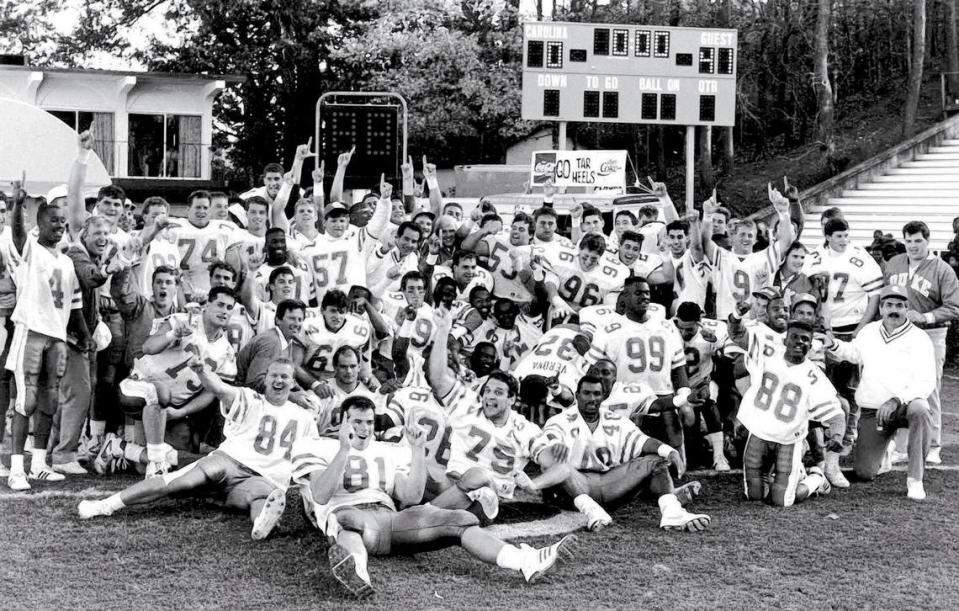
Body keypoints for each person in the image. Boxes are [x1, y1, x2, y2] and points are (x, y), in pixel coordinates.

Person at [291, 396, 576, 599]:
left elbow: (411, 495)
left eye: (368, 422)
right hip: (348, 514)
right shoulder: (319, 446)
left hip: (390, 519)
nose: (364, 429)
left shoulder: (387, 450)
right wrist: (342, 450)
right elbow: (320, 494)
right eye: (356, 422)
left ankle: (525, 561)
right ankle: (356, 572)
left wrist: (417, 451)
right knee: (348, 521)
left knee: (461, 519)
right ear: (343, 421)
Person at [79, 358, 320, 541]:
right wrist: (202, 371)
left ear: (293, 382)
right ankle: (105, 505)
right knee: (177, 483)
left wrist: (312, 500)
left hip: (265, 478)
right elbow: (220, 389)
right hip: (230, 461)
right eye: (275, 376)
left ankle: (262, 524)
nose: (279, 381)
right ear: (266, 378)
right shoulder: (250, 399)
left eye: (285, 377)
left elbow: (309, 462)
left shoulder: (305, 418)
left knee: (262, 499)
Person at [519, 375, 710, 532]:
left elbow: (643, 441)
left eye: (596, 394)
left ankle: (672, 512)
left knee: (655, 461)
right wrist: (553, 449)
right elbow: (548, 441)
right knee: (558, 466)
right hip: (575, 485)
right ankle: (592, 511)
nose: (591, 398)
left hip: (611, 484)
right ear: (577, 395)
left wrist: (669, 451)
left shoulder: (617, 420)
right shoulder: (560, 420)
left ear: (603, 397)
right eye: (586, 393)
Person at [6, 177, 92, 490]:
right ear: (40, 224)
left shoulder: (67, 261)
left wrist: (83, 333)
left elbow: (75, 303)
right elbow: (17, 235)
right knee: (25, 400)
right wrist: (17, 205)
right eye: (53, 221)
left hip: (57, 335)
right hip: (30, 330)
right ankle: (17, 467)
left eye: (62, 222)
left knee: (49, 401)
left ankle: (39, 463)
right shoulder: (30, 249)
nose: (59, 226)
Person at [823, 285, 936, 500]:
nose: (894, 310)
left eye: (900, 306)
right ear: (881, 308)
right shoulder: (869, 331)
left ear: (906, 308)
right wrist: (833, 344)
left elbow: (926, 380)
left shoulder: (919, 338)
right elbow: (853, 353)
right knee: (864, 473)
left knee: (921, 410)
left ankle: (915, 480)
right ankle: (887, 447)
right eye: (889, 305)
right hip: (873, 409)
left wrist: (896, 400)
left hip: (904, 405)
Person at [116, 286, 238, 477]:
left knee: (171, 462)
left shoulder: (227, 352)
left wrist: (181, 412)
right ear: (207, 305)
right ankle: (155, 463)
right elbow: (148, 347)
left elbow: (210, 392)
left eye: (229, 308)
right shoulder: (183, 321)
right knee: (159, 393)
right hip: (139, 389)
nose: (224, 311)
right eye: (220, 304)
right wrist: (173, 335)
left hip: (172, 409)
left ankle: (118, 447)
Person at [733, 314, 844, 507]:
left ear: (810, 346)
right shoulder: (768, 352)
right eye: (795, 337)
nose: (799, 342)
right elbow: (737, 334)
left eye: (805, 339)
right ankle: (780, 475)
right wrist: (736, 316)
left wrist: (837, 435)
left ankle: (816, 479)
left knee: (782, 501)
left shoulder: (814, 375)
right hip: (759, 432)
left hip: (788, 439)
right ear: (785, 339)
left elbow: (836, 414)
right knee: (754, 496)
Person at [882, 220, 959, 465]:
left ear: (928, 241)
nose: (913, 246)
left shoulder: (942, 269)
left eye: (918, 241)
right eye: (909, 241)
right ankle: (903, 444)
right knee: (899, 386)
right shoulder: (894, 263)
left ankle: (933, 443)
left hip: (931, 333)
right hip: (899, 332)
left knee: (929, 387)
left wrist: (925, 317)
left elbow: (954, 306)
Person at [586, 277, 689, 452]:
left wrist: (685, 396)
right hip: (626, 402)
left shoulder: (667, 327)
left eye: (647, 293)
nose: (645, 297)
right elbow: (592, 372)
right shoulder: (608, 330)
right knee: (627, 455)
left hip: (662, 397)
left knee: (675, 456)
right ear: (625, 297)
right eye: (638, 293)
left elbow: (678, 367)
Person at [701, 186, 793, 319]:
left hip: (757, 320)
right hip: (727, 318)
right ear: (732, 237)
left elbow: (786, 240)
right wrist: (707, 215)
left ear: (755, 240)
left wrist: (783, 212)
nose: (746, 238)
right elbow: (705, 242)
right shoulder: (722, 256)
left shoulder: (765, 257)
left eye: (750, 235)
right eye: (742, 234)